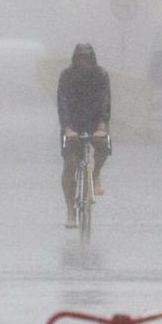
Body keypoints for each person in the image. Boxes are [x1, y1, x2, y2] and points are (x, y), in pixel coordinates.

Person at [57, 43, 111, 228]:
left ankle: (95, 174)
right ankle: (71, 211)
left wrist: (102, 126)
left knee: (103, 144)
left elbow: (105, 101)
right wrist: (67, 128)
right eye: (80, 58)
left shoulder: (101, 75)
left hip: (95, 120)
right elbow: (62, 102)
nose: (83, 62)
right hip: (72, 122)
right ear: (75, 58)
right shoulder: (66, 76)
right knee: (70, 165)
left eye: (87, 58)